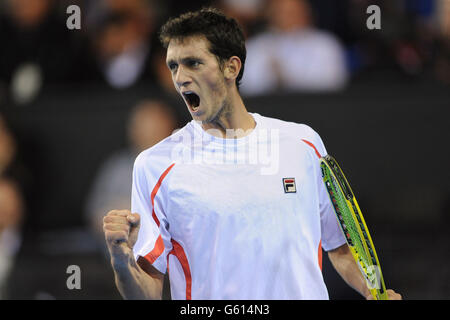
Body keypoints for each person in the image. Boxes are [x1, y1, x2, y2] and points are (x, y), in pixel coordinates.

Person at [103, 8, 402, 300]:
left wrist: (373, 290)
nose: (180, 78)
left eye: (193, 63)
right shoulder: (154, 166)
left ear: (231, 67)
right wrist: (121, 261)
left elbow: (343, 248)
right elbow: (147, 293)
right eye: (173, 66)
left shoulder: (303, 143)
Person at [86, 100, 177, 257]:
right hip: (121, 259)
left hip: (171, 260)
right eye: (144, 128)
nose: (149, 135)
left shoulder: (182, 169)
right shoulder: (117, 169)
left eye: (156, 128)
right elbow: (95, 216)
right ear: (133, 131)